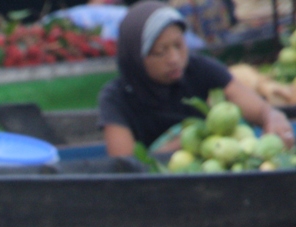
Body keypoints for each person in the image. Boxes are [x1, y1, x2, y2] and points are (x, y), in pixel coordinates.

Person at [99, 0, 294, 156]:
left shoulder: (198, 69)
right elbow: (124, 166)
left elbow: (257, 108)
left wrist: (273, 117)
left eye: (179, 45)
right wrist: (182, 144)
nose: (174, 59)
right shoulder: (116, 99)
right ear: (137, 58)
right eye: (160, 52)